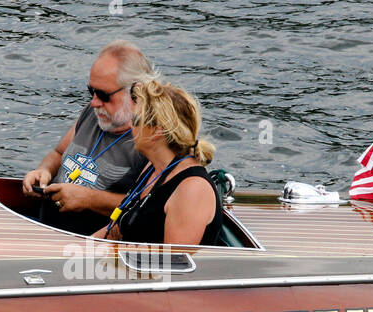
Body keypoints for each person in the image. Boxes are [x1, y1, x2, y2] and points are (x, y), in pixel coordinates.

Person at [22, 40, 153, 235]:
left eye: (103, 94)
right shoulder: (94, 113)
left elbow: (149, 208)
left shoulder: (153, 137)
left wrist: (89, 199)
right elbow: (58, 153)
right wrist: (44, 171)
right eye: (91, 91)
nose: (94, 102)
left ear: (137, 92)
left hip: (88, 245)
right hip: (45, 227)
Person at [97, 78, 223, 246]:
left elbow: (173, 264)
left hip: (150, 270)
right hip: (128, 264)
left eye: (135, 120)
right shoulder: (152, 168)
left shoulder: (191, 190)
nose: (130, 125)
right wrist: (72, 250)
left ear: (157, 131)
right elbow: (117, 230)